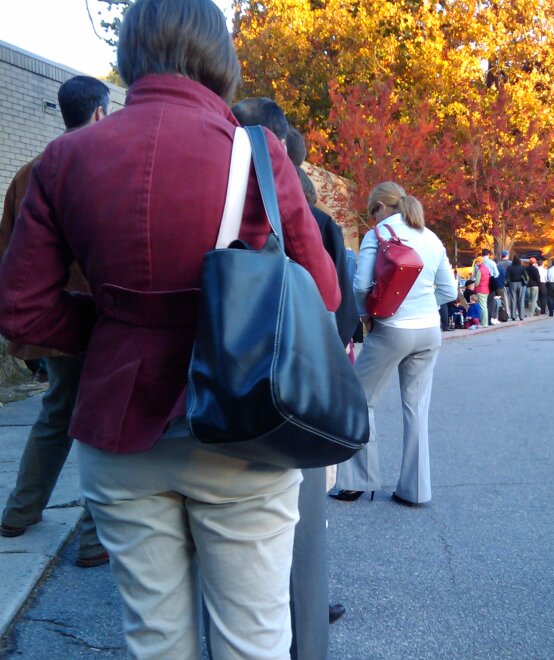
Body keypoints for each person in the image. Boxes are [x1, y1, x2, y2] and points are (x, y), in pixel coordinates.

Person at [0, 1, 342, 657]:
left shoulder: (64, 158)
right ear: (220, 56)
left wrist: (113, 329)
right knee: (255, 639)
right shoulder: (257, 156)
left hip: (117, 426)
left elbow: (21, 312)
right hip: (242, 429)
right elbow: (321, 291)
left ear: (130, 54)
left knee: (155, 640)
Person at [231, 96, 356, 657]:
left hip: (237, 387)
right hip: (298, 386)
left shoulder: (234, 191)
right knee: (303, 527)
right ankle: (307, 633)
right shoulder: (315, 216)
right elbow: (338, 303)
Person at [0, 76, 109, 568]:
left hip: (47, 319)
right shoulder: (103, 165)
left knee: (56, 411)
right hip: (96, 316)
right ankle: (92, 539)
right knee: (104, 423)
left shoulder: (26, 171)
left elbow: (7, 251)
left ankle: (20, 511)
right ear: (101, 113)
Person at [333, 182, 457, 506]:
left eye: (372, 212)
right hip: (430, 330)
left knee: (359, 398)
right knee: (417, 409)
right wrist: (422, 304)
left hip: (392, 328)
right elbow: (449, 290)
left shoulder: (378, 234)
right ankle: (415, 490)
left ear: (380, 208)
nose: (372, 219)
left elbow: (360, 285)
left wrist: (371, 312)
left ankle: (356, 481)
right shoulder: (431, 237)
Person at [505, 254, 527, 321]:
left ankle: (513, 316)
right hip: (520, 284)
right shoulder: (522, 267)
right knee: (521, 299)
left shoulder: (510, 267)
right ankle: (521, 316)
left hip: (512, 284)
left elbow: (507, 277)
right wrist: (525, 282)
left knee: (513, 299)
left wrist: (507, 283)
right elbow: (526, 276)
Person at [472, 255, 490, 327]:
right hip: (486, 289)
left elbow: (477, 282)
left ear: (480, 262)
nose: (476, 263)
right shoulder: (486, 269)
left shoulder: (480, 270)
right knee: (485, 306)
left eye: (477, 262)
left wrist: (474, 286)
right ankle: (485, 322)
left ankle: (484, 323)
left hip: (480, 290)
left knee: (482, 307)